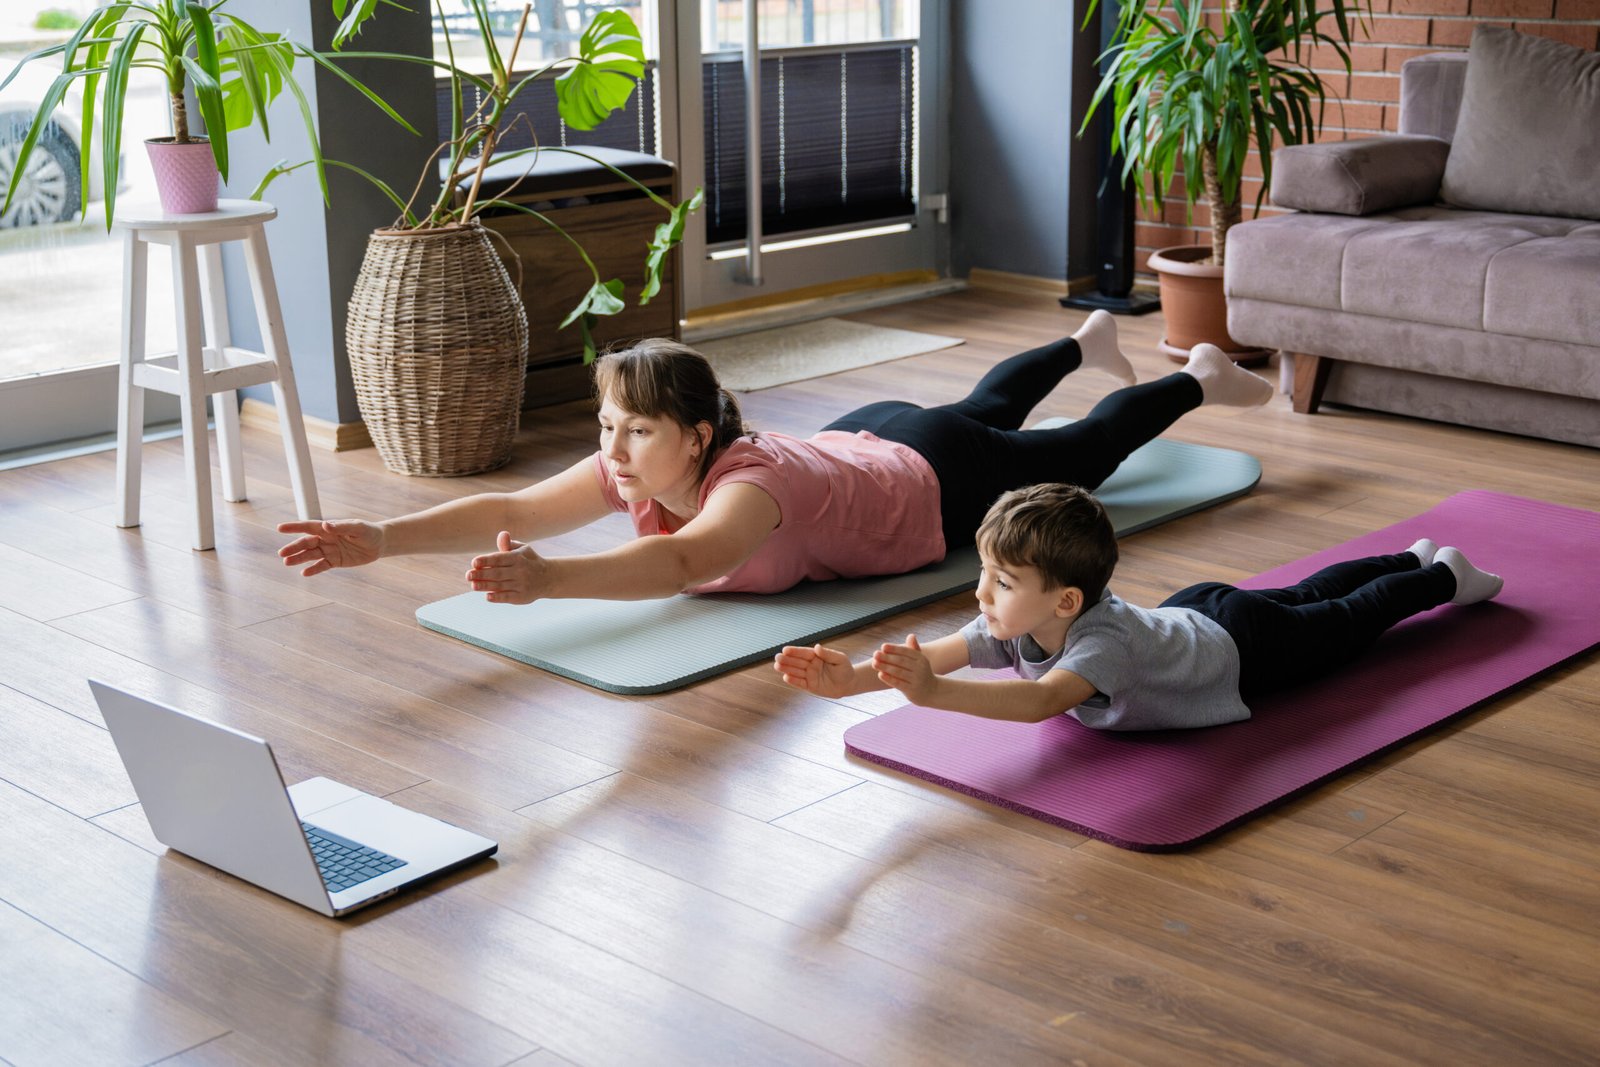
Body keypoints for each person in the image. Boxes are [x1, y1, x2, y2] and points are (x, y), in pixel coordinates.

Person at [277, 312, 1275, 602]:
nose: (611, 451)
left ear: (697, 437)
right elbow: (528, 504)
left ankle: (1198, 373)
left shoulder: (742, 494)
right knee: (979, 404)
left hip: (928, 479)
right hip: (864, 434)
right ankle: (1082, 340)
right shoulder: (639, 460)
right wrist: (380, 534)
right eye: (604, 427)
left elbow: (678, 562)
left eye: (633, 429)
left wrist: (547, 580)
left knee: (1079, 448)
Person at [774, 482, 1504, 726]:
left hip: (1245, 652)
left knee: (1342, 621)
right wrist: (851, 680)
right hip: (1194, 612)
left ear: (1062, 598)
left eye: (1000, 579)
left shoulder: (1099, 648)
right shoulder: (1016, 621)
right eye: (987, 573)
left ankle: (1439, 577)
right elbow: (923, 658)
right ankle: (1406, 553)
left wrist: (932, 695)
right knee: (1308, 593)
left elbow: (1040, 705)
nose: (981, 594)